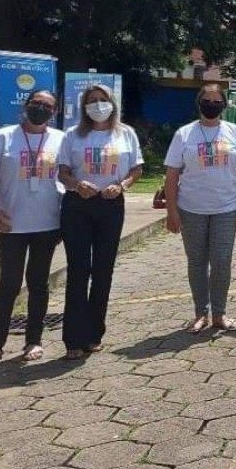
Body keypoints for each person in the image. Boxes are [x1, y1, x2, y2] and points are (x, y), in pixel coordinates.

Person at [0, 91, 65, 363]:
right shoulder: (1, 137)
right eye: (35, 103)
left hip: (47, 223)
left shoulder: (62, 140)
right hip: (11, 224)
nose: (40, 108)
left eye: (47, 106)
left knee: (38, 283)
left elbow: (68, 176)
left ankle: (33, 341)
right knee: (9, 283)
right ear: (26, 105)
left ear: (55, 111)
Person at [58, 85, 143, 360]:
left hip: (110, 204)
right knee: (78, 270)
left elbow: (136, 169)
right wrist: (76, 184)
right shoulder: (73, 135)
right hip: (78, 205)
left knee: (103, 270)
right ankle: (73, 338)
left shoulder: (125, 133)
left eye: (102, 100)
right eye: (91, 101)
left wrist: (122, 185)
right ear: (84, 106)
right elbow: (63, 172)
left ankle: (94, 333)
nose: (97, 105)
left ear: (112, 103)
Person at [164, 84, 236, 333]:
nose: (212, 105)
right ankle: (200, 313)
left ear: (224, 105)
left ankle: (220, 313)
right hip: (191, 208)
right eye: (207, 100)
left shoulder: (234, 132)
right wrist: (171, 212)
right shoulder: (185, 134)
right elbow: (171, 175)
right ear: (199, 103)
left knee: (222, 261)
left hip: (226, 208)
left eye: (217, 101)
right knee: (196, 261)